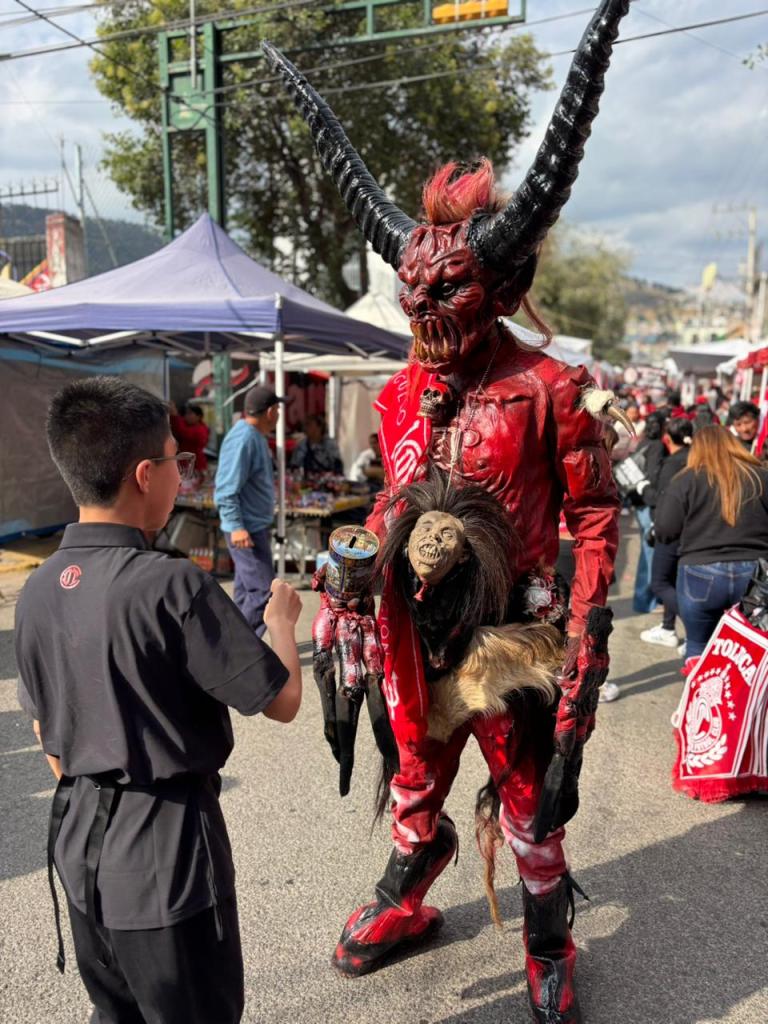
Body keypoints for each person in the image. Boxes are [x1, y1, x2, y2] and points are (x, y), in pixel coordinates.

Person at [266, 3, 630, 1019]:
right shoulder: (396, 392)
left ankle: (547, 932)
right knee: (414, 779)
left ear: (501, 284)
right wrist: (357, 579)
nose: (426, 321)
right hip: (412, 634)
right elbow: (391, 494)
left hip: (511, 640)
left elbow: (599, 518)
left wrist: (588, 651)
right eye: (414, 299)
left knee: (528, 801)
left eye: (450, 299)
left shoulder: (554, 388)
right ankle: (412, 885)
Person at [15, 376, 302, 1024]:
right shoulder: (169, 585)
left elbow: (46, 739)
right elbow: (281, 698)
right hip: (166, 859)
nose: (184, 474)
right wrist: (283, 621)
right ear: (146, 474)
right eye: (179, 460)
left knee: (116, 1012)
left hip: (81, 852)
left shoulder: (36, 592)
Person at [655, 424, 768, 665]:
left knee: (697, 645)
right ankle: (743, 701)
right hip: (754, 574)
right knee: (749, 650)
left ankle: (700, 699)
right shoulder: (760, 477)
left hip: (699, 572)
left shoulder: (685, 480)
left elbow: (665, 529)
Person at [214, 385, 288, 637]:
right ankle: (241, 648)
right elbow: (225, 489)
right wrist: (236, 526)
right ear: (270, 412)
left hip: (252, 526)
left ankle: (234, 645)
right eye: (277, 409)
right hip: (246, 529)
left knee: (247, 592)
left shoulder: (252, 436)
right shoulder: (244, 438)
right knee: (265, 592)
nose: (279, 414)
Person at [637, 416, 693, 650]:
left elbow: (662, 498)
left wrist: (643, 488)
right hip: (690, 529)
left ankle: (696, 629)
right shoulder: (695, 459)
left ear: (668, 438)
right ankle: (668, 627)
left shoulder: (672, 463)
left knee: (660, 582)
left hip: (670, 529)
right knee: (675, 581)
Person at [630, 411, 667, 614]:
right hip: (648, 503)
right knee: (649, 552)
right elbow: (653, 475)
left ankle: (643, 599)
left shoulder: (642, 443)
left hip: (638, 502)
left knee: (647, 552)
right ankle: (646, 601)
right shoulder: (658, 447)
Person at [169, 401, 210, 474]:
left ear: (199, 416)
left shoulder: (201, 430)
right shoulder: (188, 425)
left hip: (195, 466)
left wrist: (174, 415)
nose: (186, 416)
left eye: (190, 413)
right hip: (187, 464)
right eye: (186, 414)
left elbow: (183, 432)